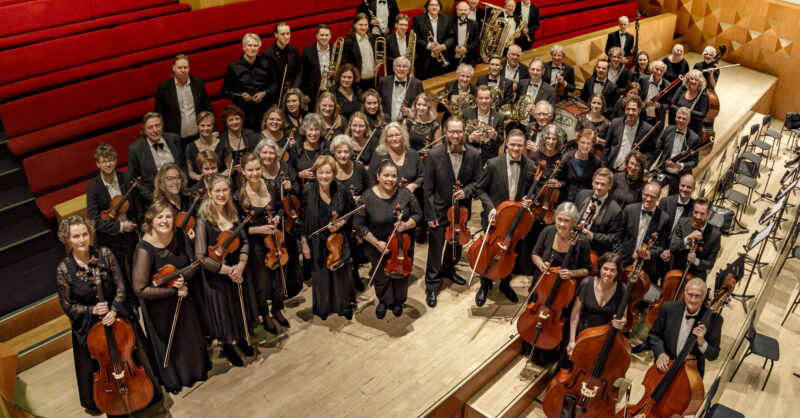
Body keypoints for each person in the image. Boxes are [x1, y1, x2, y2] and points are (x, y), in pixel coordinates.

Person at [56, 215, 161, 412]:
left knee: (131, 352)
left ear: (90, 234)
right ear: (67, 239)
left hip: (117, 316)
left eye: (85, 234)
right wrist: (92, 310)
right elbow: (67, 305)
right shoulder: (64, 269)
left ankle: (145, 390)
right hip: (89, 326)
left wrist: (114, 310)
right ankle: (105, 400)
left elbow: (121, 285)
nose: (81, 240)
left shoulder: (104, 254)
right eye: (76, 236)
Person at [131, 201, 211, 392]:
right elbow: (140, 290)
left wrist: (182, 279)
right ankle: (175, 380)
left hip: (183, 297)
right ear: (151, 220)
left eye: (168, 216)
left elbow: (192, 263)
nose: (165, 221)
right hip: (159, 307)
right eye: (160, 217)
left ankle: (196, 371)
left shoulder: (180, 234)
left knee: (189, 336)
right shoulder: (144, 249)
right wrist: (174, 290)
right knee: (171, 343)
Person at [194, 174, 259, 367]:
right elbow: (201, 257)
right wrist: (228, 270)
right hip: (218, 274)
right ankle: (228, 347)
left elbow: (245, 241)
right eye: (217, 191)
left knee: (239, 308)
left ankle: (240, 339)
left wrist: (240, 265)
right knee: (224, 314)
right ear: (210, 193)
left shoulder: (233, 213)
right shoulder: (203, 219)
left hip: (237, 270)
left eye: (225, 190)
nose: (221, 194)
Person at [423, 117, 482, 307]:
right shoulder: (434, 154)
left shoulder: (473, 154)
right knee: (436, 247)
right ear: (445, 132)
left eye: (459, 132)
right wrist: (430, 215)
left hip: (461, 210)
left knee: (456, 244)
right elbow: (428, 189)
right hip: (439, 210)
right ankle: (432, 283)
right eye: (451, 132)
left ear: (464, 132)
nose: (455, 136)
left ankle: (448, 269)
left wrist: (467, 191)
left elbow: (478, 182)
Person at [521, 202, 592, 357]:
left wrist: (572, 273)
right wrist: (541, 265)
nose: (562, 224)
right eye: (559, 219)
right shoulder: (548, 231)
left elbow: (587, 269)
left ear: (574, 222)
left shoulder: (582, 241)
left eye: (566, 221)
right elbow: (535, 253)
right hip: (542, 287)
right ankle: (527, 340)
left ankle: (549, 344)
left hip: (563, 295)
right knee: (533, 316)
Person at [474, 129, 536, 306]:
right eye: (513, 144)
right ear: (506, 144)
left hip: (515, 219)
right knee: (489, 251)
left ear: (524, 146)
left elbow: (535, 190)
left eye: (519, 145)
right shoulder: (493, 164)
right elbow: (480, 189)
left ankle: (505, 283)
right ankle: (484, 284)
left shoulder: (530, 166)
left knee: (510, 251)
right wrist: (491, 209)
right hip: (495, 216)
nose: (516, 148)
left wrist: (530, 200)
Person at [353, 159, 422, 318]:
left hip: (401, 244)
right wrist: (377, 243)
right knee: (381, 277)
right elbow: (358, 224)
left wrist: (407, 225)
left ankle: (398, 301)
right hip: (376, 244)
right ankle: (383, 301)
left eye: (393, 176)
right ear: (378, 175)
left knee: (401, 273)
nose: (390, 179)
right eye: (386, 175)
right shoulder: (367, 196)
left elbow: (418, 214)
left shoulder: (405, 194)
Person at [300, 155, 358, 319]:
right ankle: (324, 306)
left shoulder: (341, 189)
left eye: (328, 172)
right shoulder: (308, 191)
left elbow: (350, 211)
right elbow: (302, 219)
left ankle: (343, 306)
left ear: (333, 173)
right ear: (315, 173)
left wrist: (341, 223)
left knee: (341, 274)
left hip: (338, 239)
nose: (324, 176)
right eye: (321, 172)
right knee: (321, 276)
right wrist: (304, 243)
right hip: (316, 241)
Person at [237, 152, 287, 334]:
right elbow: (238, 229)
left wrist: (276, 219)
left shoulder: (272, 186)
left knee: (278, 280)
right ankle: (265, 314)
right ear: (243, 171)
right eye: (250, 170)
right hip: (256, 246)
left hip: (275, 241)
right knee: (262, 283)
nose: (254, 173)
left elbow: (281, 208)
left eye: (257, 169)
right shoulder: (239, 196)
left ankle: (277, 309)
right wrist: (259, 230)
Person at [86, 144, 141, 285]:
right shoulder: (93, 188)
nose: (108, 164)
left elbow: (137, 205)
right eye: (104, 161)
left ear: (116, 161)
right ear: (97, 164)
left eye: (110, 160)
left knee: (138, 269)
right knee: (120, 274)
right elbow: (94, 221)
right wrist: (121, 227)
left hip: (131, 233)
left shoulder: (126, 178)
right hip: (110, 236)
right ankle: (131, 303)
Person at [256, 138, 304, 297]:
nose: (268, 156)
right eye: (264, 152)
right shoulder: (255, 170)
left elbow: (297, 189)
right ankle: (273, 291)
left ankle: (291, 286)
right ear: (259, 154)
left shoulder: (285, 168)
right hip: (265, 218)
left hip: (285, 218)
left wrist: (291, 186)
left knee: (288, 249)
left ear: (276, 154)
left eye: (271, 152)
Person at [648, 277, 722, 377]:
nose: (693, 299)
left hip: (690, 375)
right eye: (690, 295)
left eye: (698, 296)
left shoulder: (714, 320)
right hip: (665, 366)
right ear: (685, 293)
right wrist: (661, 353)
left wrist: (702, 342)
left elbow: (713, 355)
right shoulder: (669, 308)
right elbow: (654, 335)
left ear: (704, 297)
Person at [564, 252, 626, 363]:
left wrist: (621, 321)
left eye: (612, 270)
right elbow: (575, 313)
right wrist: (572, 340)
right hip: (581, 334)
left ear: (617, 272)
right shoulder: (586, 283)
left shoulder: (622, 289)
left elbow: (624, 317)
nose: (608, 273)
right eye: (605, 269)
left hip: (603, 338)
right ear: (600, 269)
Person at [331, 134, 371, 292]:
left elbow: (370, 190)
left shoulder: (359, 168)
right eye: (339, 152)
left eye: (346, 152)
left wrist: (361, 198)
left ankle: (355, 273)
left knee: (355, 250)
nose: (343, 155)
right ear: (334, 152)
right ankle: (341, 281)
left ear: (351, 152)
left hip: (356, 217)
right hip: (337, 217)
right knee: (341, 251)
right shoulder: (330, 169)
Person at [154, 54, 212, 146]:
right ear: (173, 68)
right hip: (175, 139)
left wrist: (213, 130)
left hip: (198, 136)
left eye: (185, 67)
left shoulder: (198, 83)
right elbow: (159, 115)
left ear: (189, 68)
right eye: (179, 67)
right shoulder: (163, 88)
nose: (182, 70)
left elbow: (208, 107)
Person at [618, 182, 671, 282]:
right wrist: (619, 255)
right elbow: (618, 236)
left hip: (645, 267)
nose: (648, 199)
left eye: (653, 196)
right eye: (646, 195)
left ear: (658, 197)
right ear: (642, 193)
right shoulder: (629, 209)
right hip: (622, 261)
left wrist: (649, 254)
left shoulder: (664, 218)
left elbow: (662, 245)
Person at [128, 112, 184, 203]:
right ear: (144, 131)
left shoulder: (174, 139)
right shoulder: (135, 149)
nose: (155, 130)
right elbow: (135, 180)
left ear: (162, 126)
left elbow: (183, 165)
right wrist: (153, 198)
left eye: (157, 125)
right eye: (150, 127)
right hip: (154, 197)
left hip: (179, 191)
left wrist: (181, 187)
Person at [221, 33, 273, 131]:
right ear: (243, 47)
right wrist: (241, 95)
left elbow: (274, 84)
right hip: (244, 115)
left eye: (255, 46)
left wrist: (264, 93)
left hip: (264, 113)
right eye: (249, 45)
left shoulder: (266, 64)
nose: (252, 48)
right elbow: (225, 90)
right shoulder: (234, 66)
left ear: (259, 48)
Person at [575, 167, 623, 258]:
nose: (598, 187)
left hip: (593, 251)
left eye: (603, 184)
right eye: (596, 183)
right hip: (573, 243)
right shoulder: (583, 194)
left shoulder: (615, 209)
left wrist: (592, 235)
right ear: (592, 182)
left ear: (610, 186)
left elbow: (614, 238)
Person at [668, 198, 721, 280]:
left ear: (708, 214)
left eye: (702, 214)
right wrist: (687, 239)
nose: (698, 217)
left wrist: (696, 261)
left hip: (696, 276)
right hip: (676, 271)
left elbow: (710, 263)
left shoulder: (715, 235)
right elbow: (673, 249)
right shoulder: (682, 223)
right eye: (696, 212)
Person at [368, 122, 423, 196]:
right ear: (386, 139)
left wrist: (413, 186)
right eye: (390, 136)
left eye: (397, 135)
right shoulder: (378, 155)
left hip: (410, 197)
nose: (394, 139)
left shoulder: (413, 154)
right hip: (385, 198)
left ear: (403, 136)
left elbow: (423, 175)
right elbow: (371, 179)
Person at [654, 107, 700, 194]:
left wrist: (680, 165)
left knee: (672, 200)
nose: (681, 120)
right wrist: (647, 168)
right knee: (652, 189)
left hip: (680, 175)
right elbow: (657, 150)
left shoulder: (694, 138)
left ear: (689, 120)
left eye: (684, 118)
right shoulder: (668, 130)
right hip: (663, 170)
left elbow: (694, 162)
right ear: (675, 117)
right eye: (679, 117)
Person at [602, 95, 655, 170]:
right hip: (611, 168)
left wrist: (639, 159)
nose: (630, 112)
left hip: (631, 171)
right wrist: (604, 166)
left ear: (639, 110)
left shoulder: (648, 129)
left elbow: (651, 152)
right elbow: (607, 147)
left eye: (634, 109)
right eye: (628, 109)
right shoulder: (615, 123)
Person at [412, 0, 454, 80]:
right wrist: (428, 45)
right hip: (425, 60)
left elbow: (451, 37)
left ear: (439, 7)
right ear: (427, 7)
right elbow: (414, 38)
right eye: (431, 5)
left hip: (442, 59)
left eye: (436, 5)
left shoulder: (446, 19)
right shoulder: (418, 19)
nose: (434, 7)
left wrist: (443, 46)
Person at [185, 111, 232, 182]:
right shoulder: (189, 147)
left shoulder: (223, 144)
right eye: (202, 125)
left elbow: (230, 169)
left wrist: (218, 176)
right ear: (198, 126)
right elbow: (190, 172)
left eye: (208, 125)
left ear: (213, 126)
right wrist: (198, 177)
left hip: (220, 182)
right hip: (200, 184)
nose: (206, 128)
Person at [463, 85, 505, 164]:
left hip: (490, 159)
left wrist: (495, 135)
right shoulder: (467, 114)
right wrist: (471, 137)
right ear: (476, 99)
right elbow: (461, 137)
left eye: (486, 98)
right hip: (470, 158)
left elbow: (501, 141)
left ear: (491, 99)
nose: (483, 101)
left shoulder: (499, 117)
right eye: (480, 98)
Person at [153, 163, 196, 240]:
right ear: (162, 182)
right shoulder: (160, 207)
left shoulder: (189, 199)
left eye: (178, 177)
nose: (175, 182)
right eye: (170, 178)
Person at [262, 22, 302, 99]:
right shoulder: (268, 54)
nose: (286, 37)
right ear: (276, 35)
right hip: (276, 96)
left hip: (294, 92)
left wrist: (294, 89)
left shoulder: (294, 50)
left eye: (288, 33)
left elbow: (299, 72)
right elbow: (269, 80)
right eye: (282, 34)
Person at [377, 56, 424, 123]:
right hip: (386, 123)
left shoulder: (416, 84)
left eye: (404, 66)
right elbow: (378, 102)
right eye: (398, 66)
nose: (401, 69)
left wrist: (410, 112)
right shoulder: (383, 81)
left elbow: (422, 104)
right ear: (393, 68)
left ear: (409, 69)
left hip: (407, 123)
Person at [562, 129, 603, 203]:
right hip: (566, 198)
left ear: (592, 145)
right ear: (577, 141)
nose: (585, 146)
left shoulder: (596, 161)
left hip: (585, 200)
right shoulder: (567, 157)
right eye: (582, 142)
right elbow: (562, 179)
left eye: (588, 143)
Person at [300, 24, 333, 109]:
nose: (324, 37)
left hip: (331, 90)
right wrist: (304, 93)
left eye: (326, 35)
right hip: (313, 94)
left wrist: (335, 73)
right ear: (317, 36)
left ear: (330, 36)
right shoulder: (307, 51)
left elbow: (342, 69)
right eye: (322, 35)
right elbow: (302, 74)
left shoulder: (335, 50)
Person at [218, 104, 259, 174]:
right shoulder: (221, 139)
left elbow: (257, 154)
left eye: (237, 119)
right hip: (230, 175)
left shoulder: (250, 134)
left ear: (241, 120)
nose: (235, 122)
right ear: (226, 122)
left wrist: (246, 166)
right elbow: (220, 164)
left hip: (250, 171)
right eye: (231, 120)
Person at [343, 13, 379, 92]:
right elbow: (345, 64)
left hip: (372, 80)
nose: (363, 27)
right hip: (357, 82)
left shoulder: (372, 39)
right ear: (355, 25)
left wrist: (377, 64)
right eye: (360, 25)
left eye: (365, 25)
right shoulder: (349, 42)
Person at [669, 69, 708, 138]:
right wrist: (683, 111)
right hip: (676, 124)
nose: (693, 81)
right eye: (691, 79)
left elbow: (702, 114)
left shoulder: (703, 95)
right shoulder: (682, 89)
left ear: (700, 82)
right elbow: (671, 104)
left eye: (696, 80)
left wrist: (689, 112)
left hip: (692, 128)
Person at [293, 113, 329, 182]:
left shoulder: (327, 147)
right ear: (305, 130)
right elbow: (289, 172)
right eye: (310, 129)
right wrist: (300, 174)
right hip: (299, 189)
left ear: (321, 131)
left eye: (317, 130)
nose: (314, 133)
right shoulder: (296, 147)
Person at [640, 60, 670, 131]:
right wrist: (644, 104)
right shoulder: (642, 79)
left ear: (664, 72)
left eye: (661, 70)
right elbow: (637, 97)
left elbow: (669, 105)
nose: (659, 72)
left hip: (657, 119)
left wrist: (657, 105)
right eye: (657, 69)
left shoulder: (668, 85)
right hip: (642, 116)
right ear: (652, 68)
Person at [449, 1, 480, 68]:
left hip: (469, 59)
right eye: (460, 10)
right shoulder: (449, 23)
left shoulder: (474, 24)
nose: (463, 12)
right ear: (456, 11)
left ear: (469, 12)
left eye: (465, 10)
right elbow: (446, 38)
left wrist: (466, 48)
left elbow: (477, 41)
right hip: (452, 59)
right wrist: (455, 48)